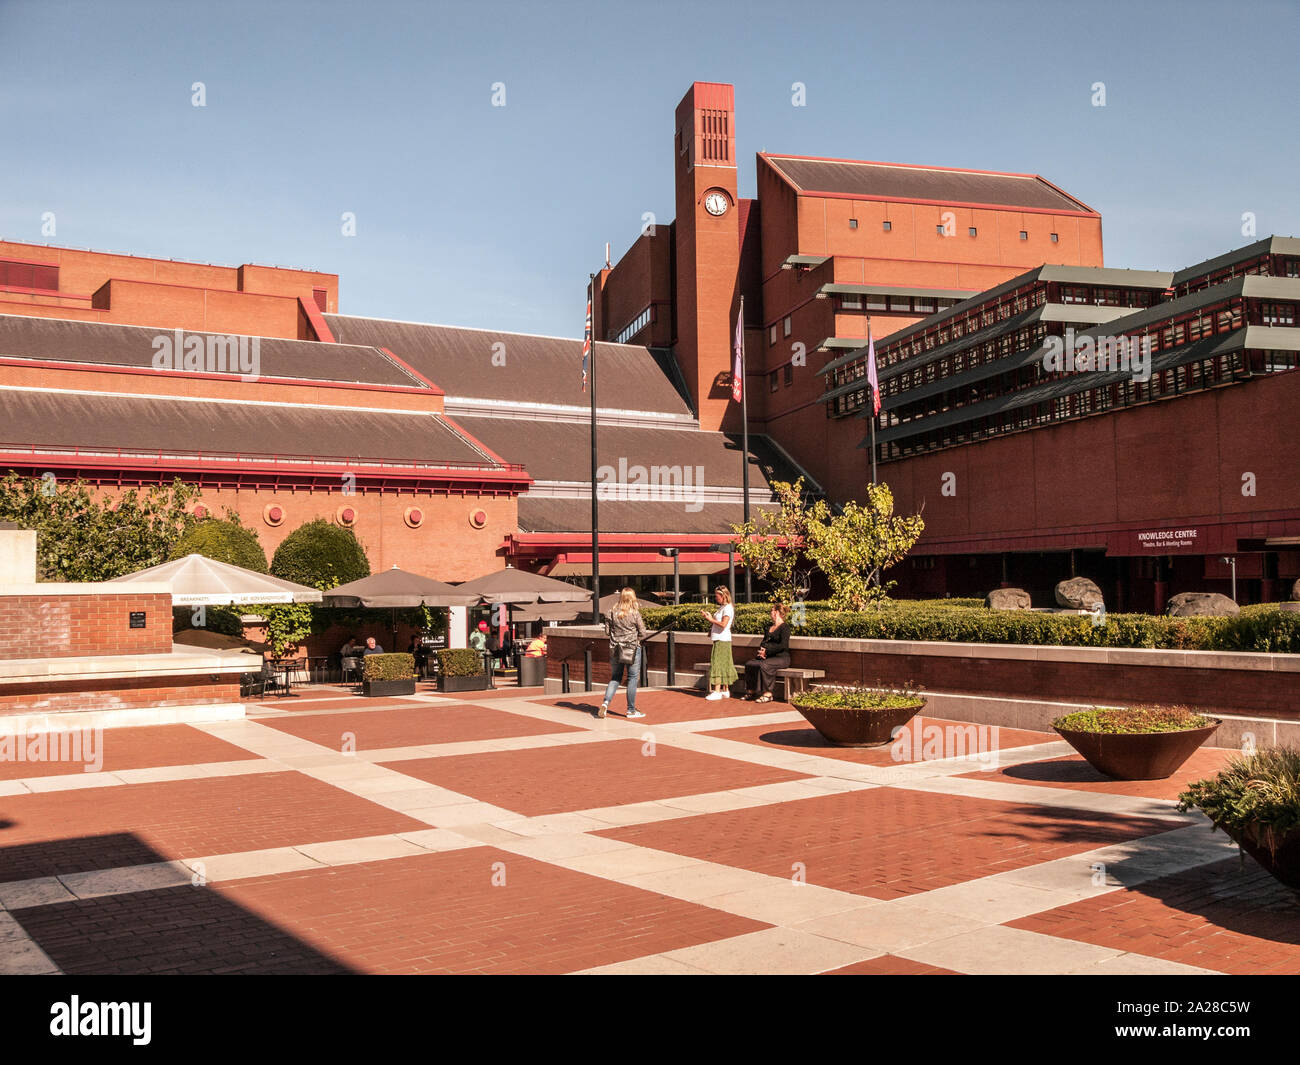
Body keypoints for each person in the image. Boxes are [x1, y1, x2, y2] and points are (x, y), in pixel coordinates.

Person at [600, 587, 648, 719]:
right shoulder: (634, 613)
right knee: (632, 678)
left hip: (615, 648)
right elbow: (643, 633)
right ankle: (631, 710)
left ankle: (605, 703)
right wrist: (634, 636)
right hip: (631, 648)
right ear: (633, 598)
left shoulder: (611, 612)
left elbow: (607, 632)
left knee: (615, 677)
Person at [743, 603, 791, 702]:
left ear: (776, 612)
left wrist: (767, 651)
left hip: (781, 658)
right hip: (768, 657)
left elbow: (783, 645)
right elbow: (764, 642)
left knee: (765, 665)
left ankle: (768, 694)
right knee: (750, 664)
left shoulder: (785, 627)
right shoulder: (768, 627)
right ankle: (751, 691)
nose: (770, 613)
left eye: (771, 610)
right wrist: (762, 652)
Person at [701, 585, 736, 700]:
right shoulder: (723, 607)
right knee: (724, 663)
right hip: (720, 639)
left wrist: (710, 619)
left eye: (717, 596)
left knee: (717, 663)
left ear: (722, 595)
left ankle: (717, 691)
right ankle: (725, 690)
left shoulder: (728, 608)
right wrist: (711, 626)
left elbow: (723, 624)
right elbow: (718, 624)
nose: (716, 598)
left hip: (722, 639)